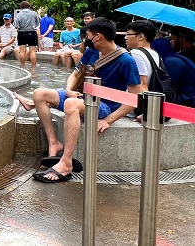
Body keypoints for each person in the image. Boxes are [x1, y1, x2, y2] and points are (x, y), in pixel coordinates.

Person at [13, 18, 141, 183]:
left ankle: (66, 162)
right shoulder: (92, 52)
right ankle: (54, 143)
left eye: (87, 35)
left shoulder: (126, 61)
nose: (85, 39)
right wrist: (68, 90)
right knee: (39, 94)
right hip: (83, 97)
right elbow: (75, 74)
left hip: (104, 106)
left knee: (70, 104)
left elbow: (135, 97)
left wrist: (108, 120)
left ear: (97, 36)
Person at [153, 33, 195, 107]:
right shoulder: (180, 57)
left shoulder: (174, 61)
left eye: (172, 39)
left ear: (182, 39)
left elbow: (166, 87)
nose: (170, 42)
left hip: (185, 103)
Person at [124, 20, 160, 93]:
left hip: (135, 99)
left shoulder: (135, 53)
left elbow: (142, 83)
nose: (125, 37)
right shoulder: (155, 53)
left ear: (141, 36)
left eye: (128, 34)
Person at [13, 1, 41, 66]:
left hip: (22, 33)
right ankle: (33, 67)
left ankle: (22, 65)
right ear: (29, 6)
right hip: (32, 33)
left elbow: (16, 26)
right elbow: (37, 23)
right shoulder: (34, 13)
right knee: (32, 51)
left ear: (21, 7)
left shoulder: (19, 15)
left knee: (22, 51)